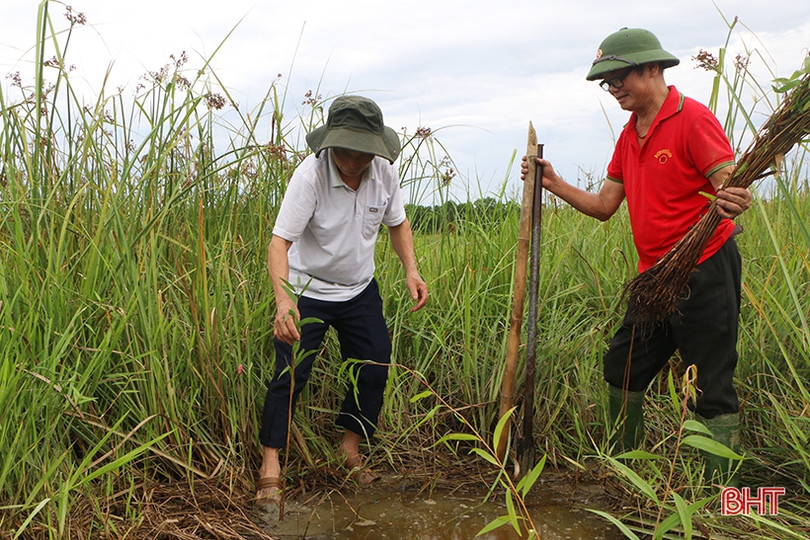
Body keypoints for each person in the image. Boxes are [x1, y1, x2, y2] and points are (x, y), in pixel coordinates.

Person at [521, 28, 751, 487]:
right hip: (655, 278)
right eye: (607, 83)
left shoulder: (692, 119)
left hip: (704, 267)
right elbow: (606, 206)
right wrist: (554, 183)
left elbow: (729, 180)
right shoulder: (630, 136)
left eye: (620, 77)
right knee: (622, 366)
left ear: (652, 68)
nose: (614, 89)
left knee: (710, 386)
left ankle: (719, 498)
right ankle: (628, 475)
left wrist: (732, 196)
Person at [256, 95, 429, 505]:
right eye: (345, 151)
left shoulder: (383, 172)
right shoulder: (309, 176)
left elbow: (398, 224)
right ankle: (270, 465)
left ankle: (349, 448)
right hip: (307, 290)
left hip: (358, 289)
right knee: (290, 375)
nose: (353, 160)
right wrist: (284, 302)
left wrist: (411, 269)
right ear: (331, 143)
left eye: (362, 152)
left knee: (374, 364)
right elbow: (279, 243)